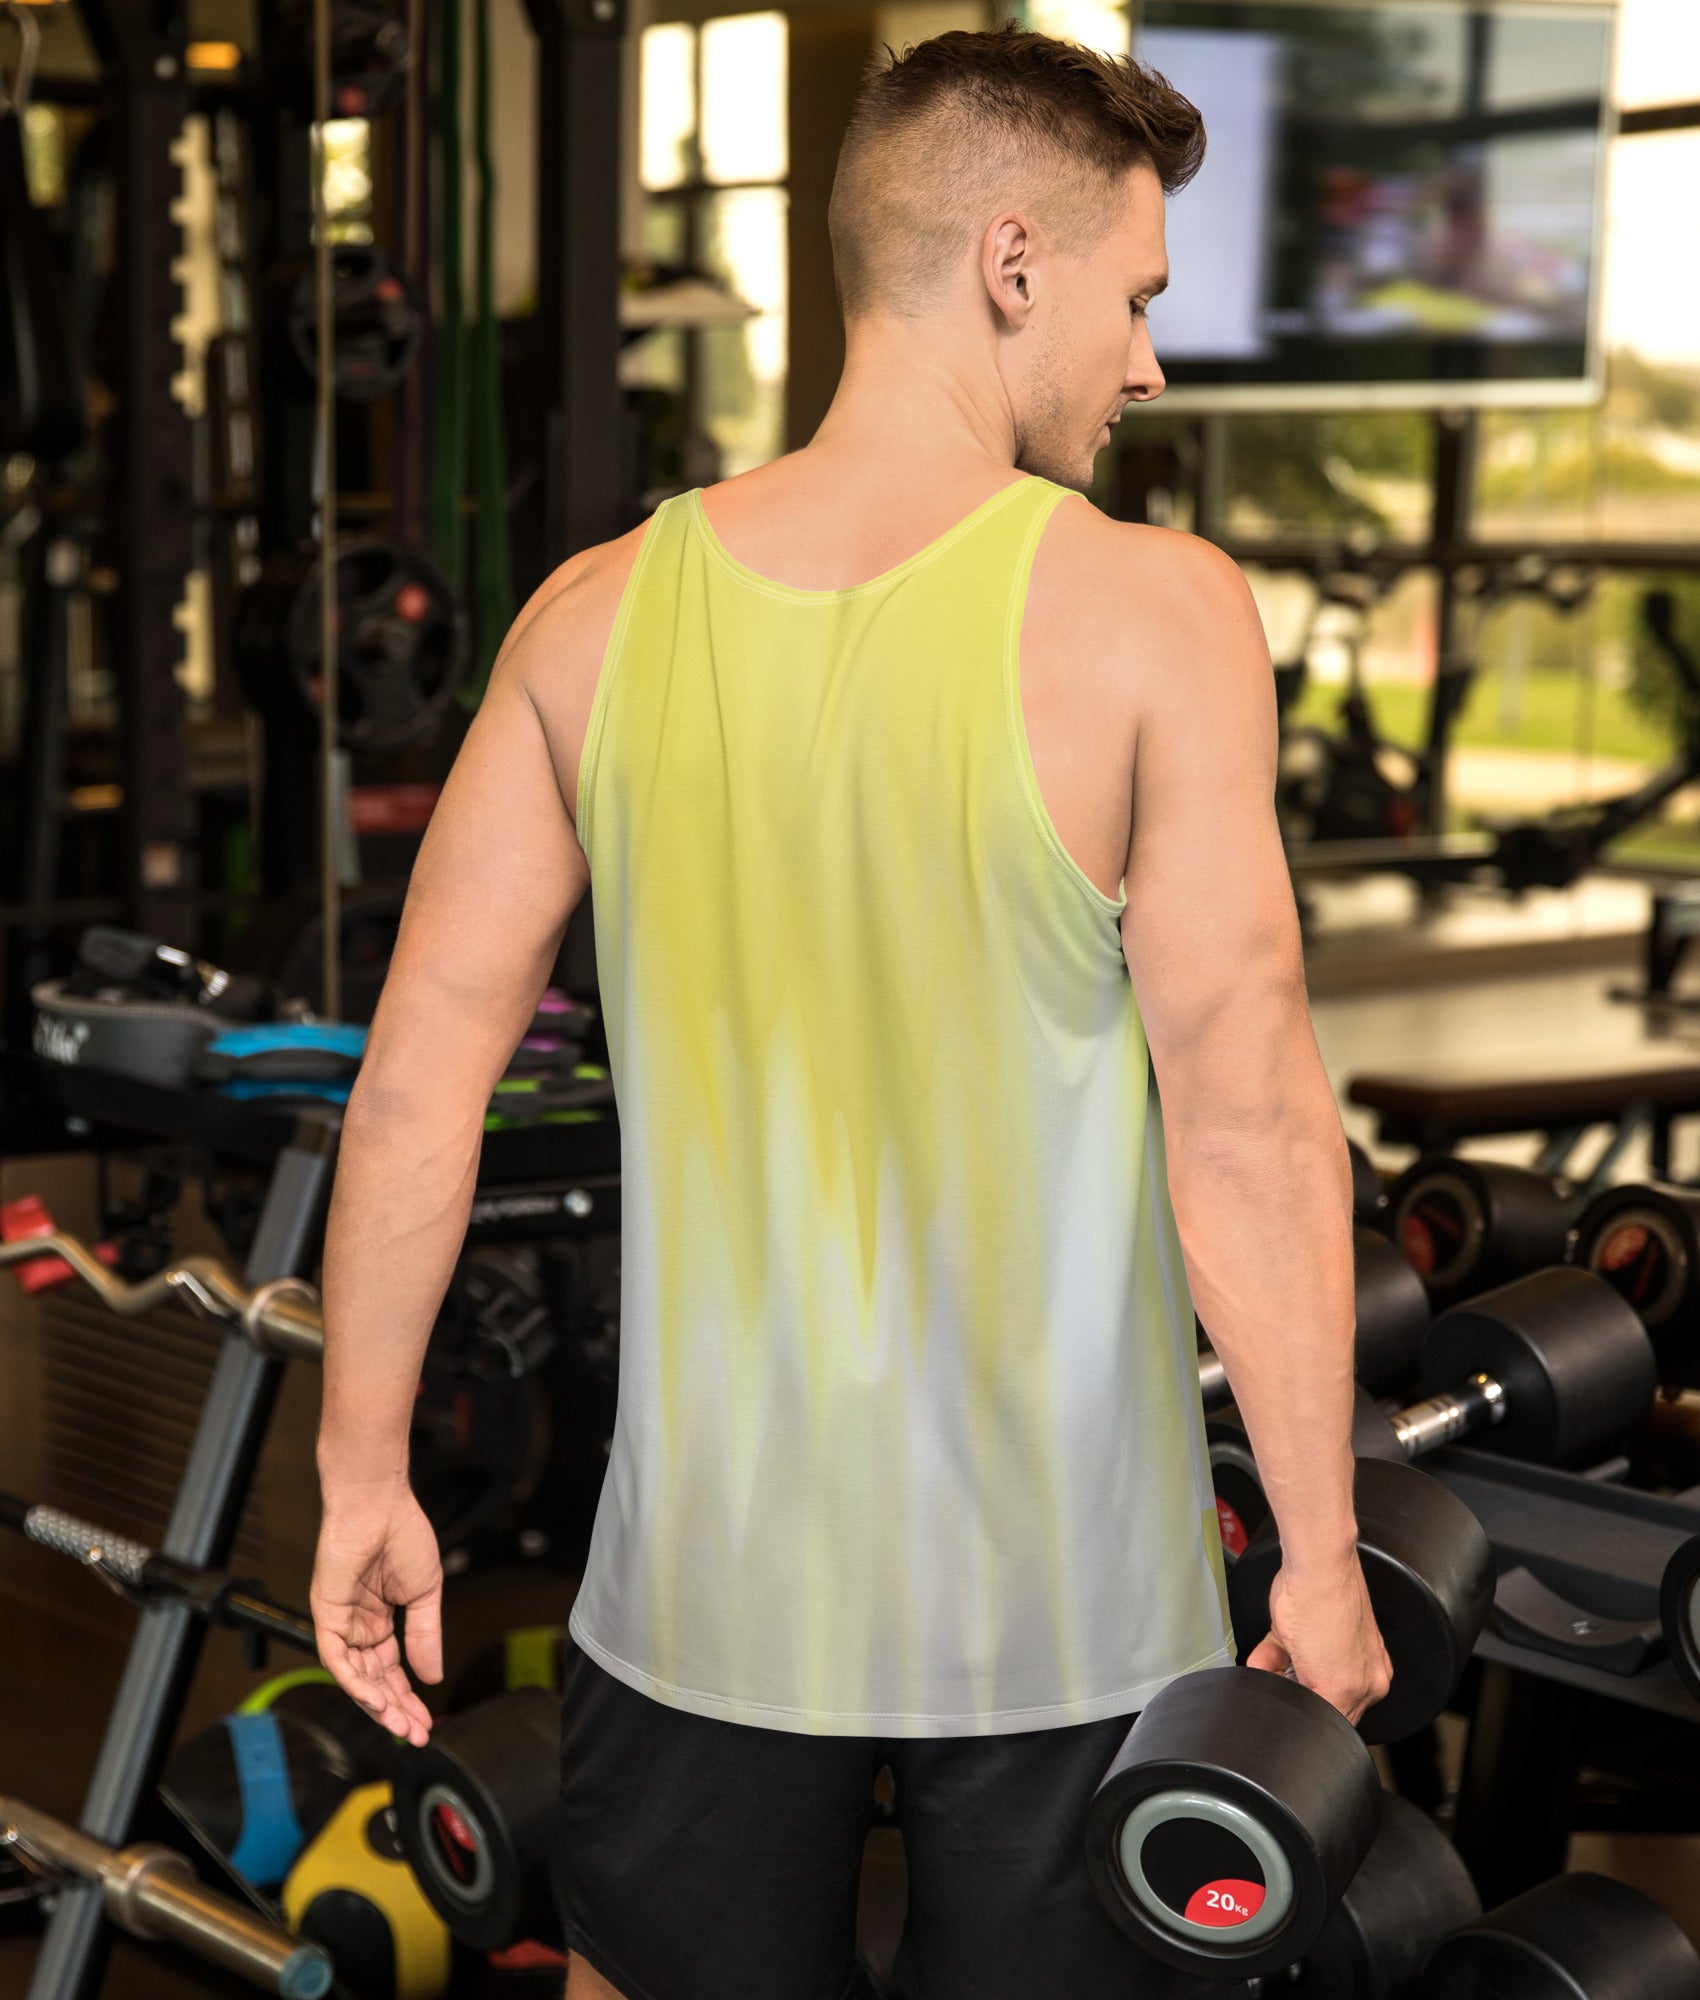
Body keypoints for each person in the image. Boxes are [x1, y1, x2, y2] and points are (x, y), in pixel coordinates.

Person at [309, 25, 1388, 1999]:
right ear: (1011, 262)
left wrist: (362, 1472)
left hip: (700, 1605)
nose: (1143, 363)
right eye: (1134, 301)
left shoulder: (588, 618)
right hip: (1068, 1622)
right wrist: (1316, 1559)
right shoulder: (1157, 614)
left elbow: (411, 1092)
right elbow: (1247, 1125)